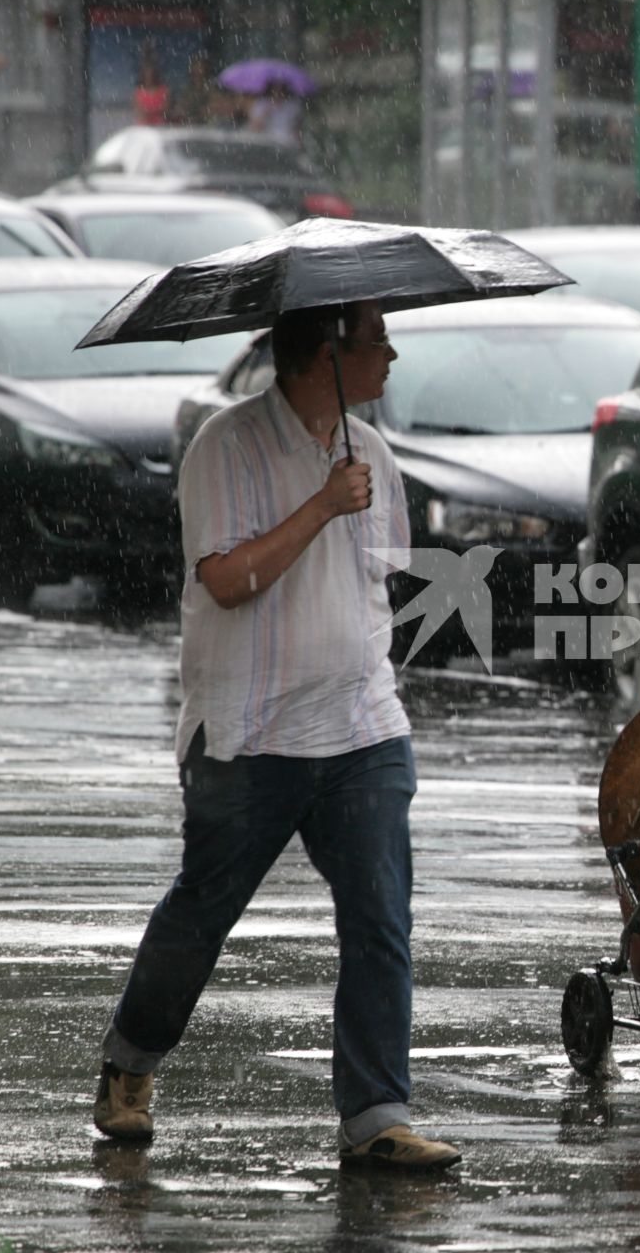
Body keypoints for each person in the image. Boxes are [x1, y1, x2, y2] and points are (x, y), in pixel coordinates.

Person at [93, 300, 462, 1171]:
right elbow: (226, 579)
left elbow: (385, 582)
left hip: (362, 728)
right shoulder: (225, 446)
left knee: (380, 918)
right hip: (248, 733)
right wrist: (322, 505)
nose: (392, 353)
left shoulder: (371, 451)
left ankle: (376, 1114)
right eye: (375, 340)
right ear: (325, 354)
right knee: (202, 912)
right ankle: (131, 1061)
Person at [250, 79, 303, 146]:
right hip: (266, 141)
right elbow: (254, 127)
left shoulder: (293, 106)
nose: (278, 93)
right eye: (275, 89)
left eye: (281, 89)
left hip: (287, 142)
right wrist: (267, 110)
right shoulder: (261, 104)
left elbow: (297, 127)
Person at [169, 54, 214, 127]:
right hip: (190, 130)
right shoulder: (187, 91)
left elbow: (214, 109)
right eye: (195, 69)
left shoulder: (213, 88)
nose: (197, 71)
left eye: (200, 68)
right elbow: (180, 109)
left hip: (209, 130)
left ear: (206, 71)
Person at [132, 58, 168, 126]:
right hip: (143, 128)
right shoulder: (138, 93)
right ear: (143, 75)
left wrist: (149, 112)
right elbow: (138, 111)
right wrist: (156, 111)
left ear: (155, 75)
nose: (149, 76)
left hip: (161, 127)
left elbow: (166, 110)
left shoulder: (164, 91)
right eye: (146, 74)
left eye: (151, 74)